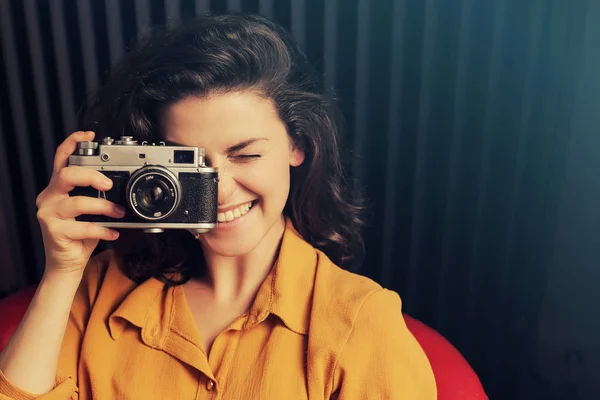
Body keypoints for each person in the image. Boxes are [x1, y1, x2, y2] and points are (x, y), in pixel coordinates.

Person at [0, 13, 436, 399]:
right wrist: (61, 272)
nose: (221, 190)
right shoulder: (94, 288)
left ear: (298, 145)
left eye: (244, 154)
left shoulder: (362, 325)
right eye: (188, 164)